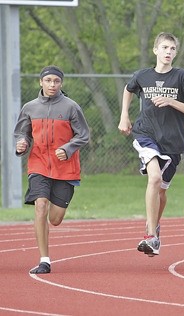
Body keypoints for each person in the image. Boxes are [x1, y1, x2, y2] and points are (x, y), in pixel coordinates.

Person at [118, 32, 184, 257]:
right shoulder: (142, 76)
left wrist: (171, 101)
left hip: (172, 141)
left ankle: (155, 227)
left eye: (172, 49)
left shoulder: (182, 78)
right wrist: (124, 116)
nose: (168, 52)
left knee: (161, 190)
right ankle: (150, 234)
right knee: (154, 178)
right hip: (145, 134)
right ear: (156, 50)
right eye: (164, 48)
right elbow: (128, 89)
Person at [14, 65, 90, 274]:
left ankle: (48, 230)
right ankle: (44, 260)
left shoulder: (71, 107)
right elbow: (22, 134)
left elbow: (83, 135)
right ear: (41, 82)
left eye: (56, 81)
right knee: (40, 206)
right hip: (38, 164)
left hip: (65, 168)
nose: (52, 85)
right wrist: (21, 144)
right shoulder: (30, 108)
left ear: (61, 83)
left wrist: (67, 149)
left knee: (55, 219)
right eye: (48, 81)